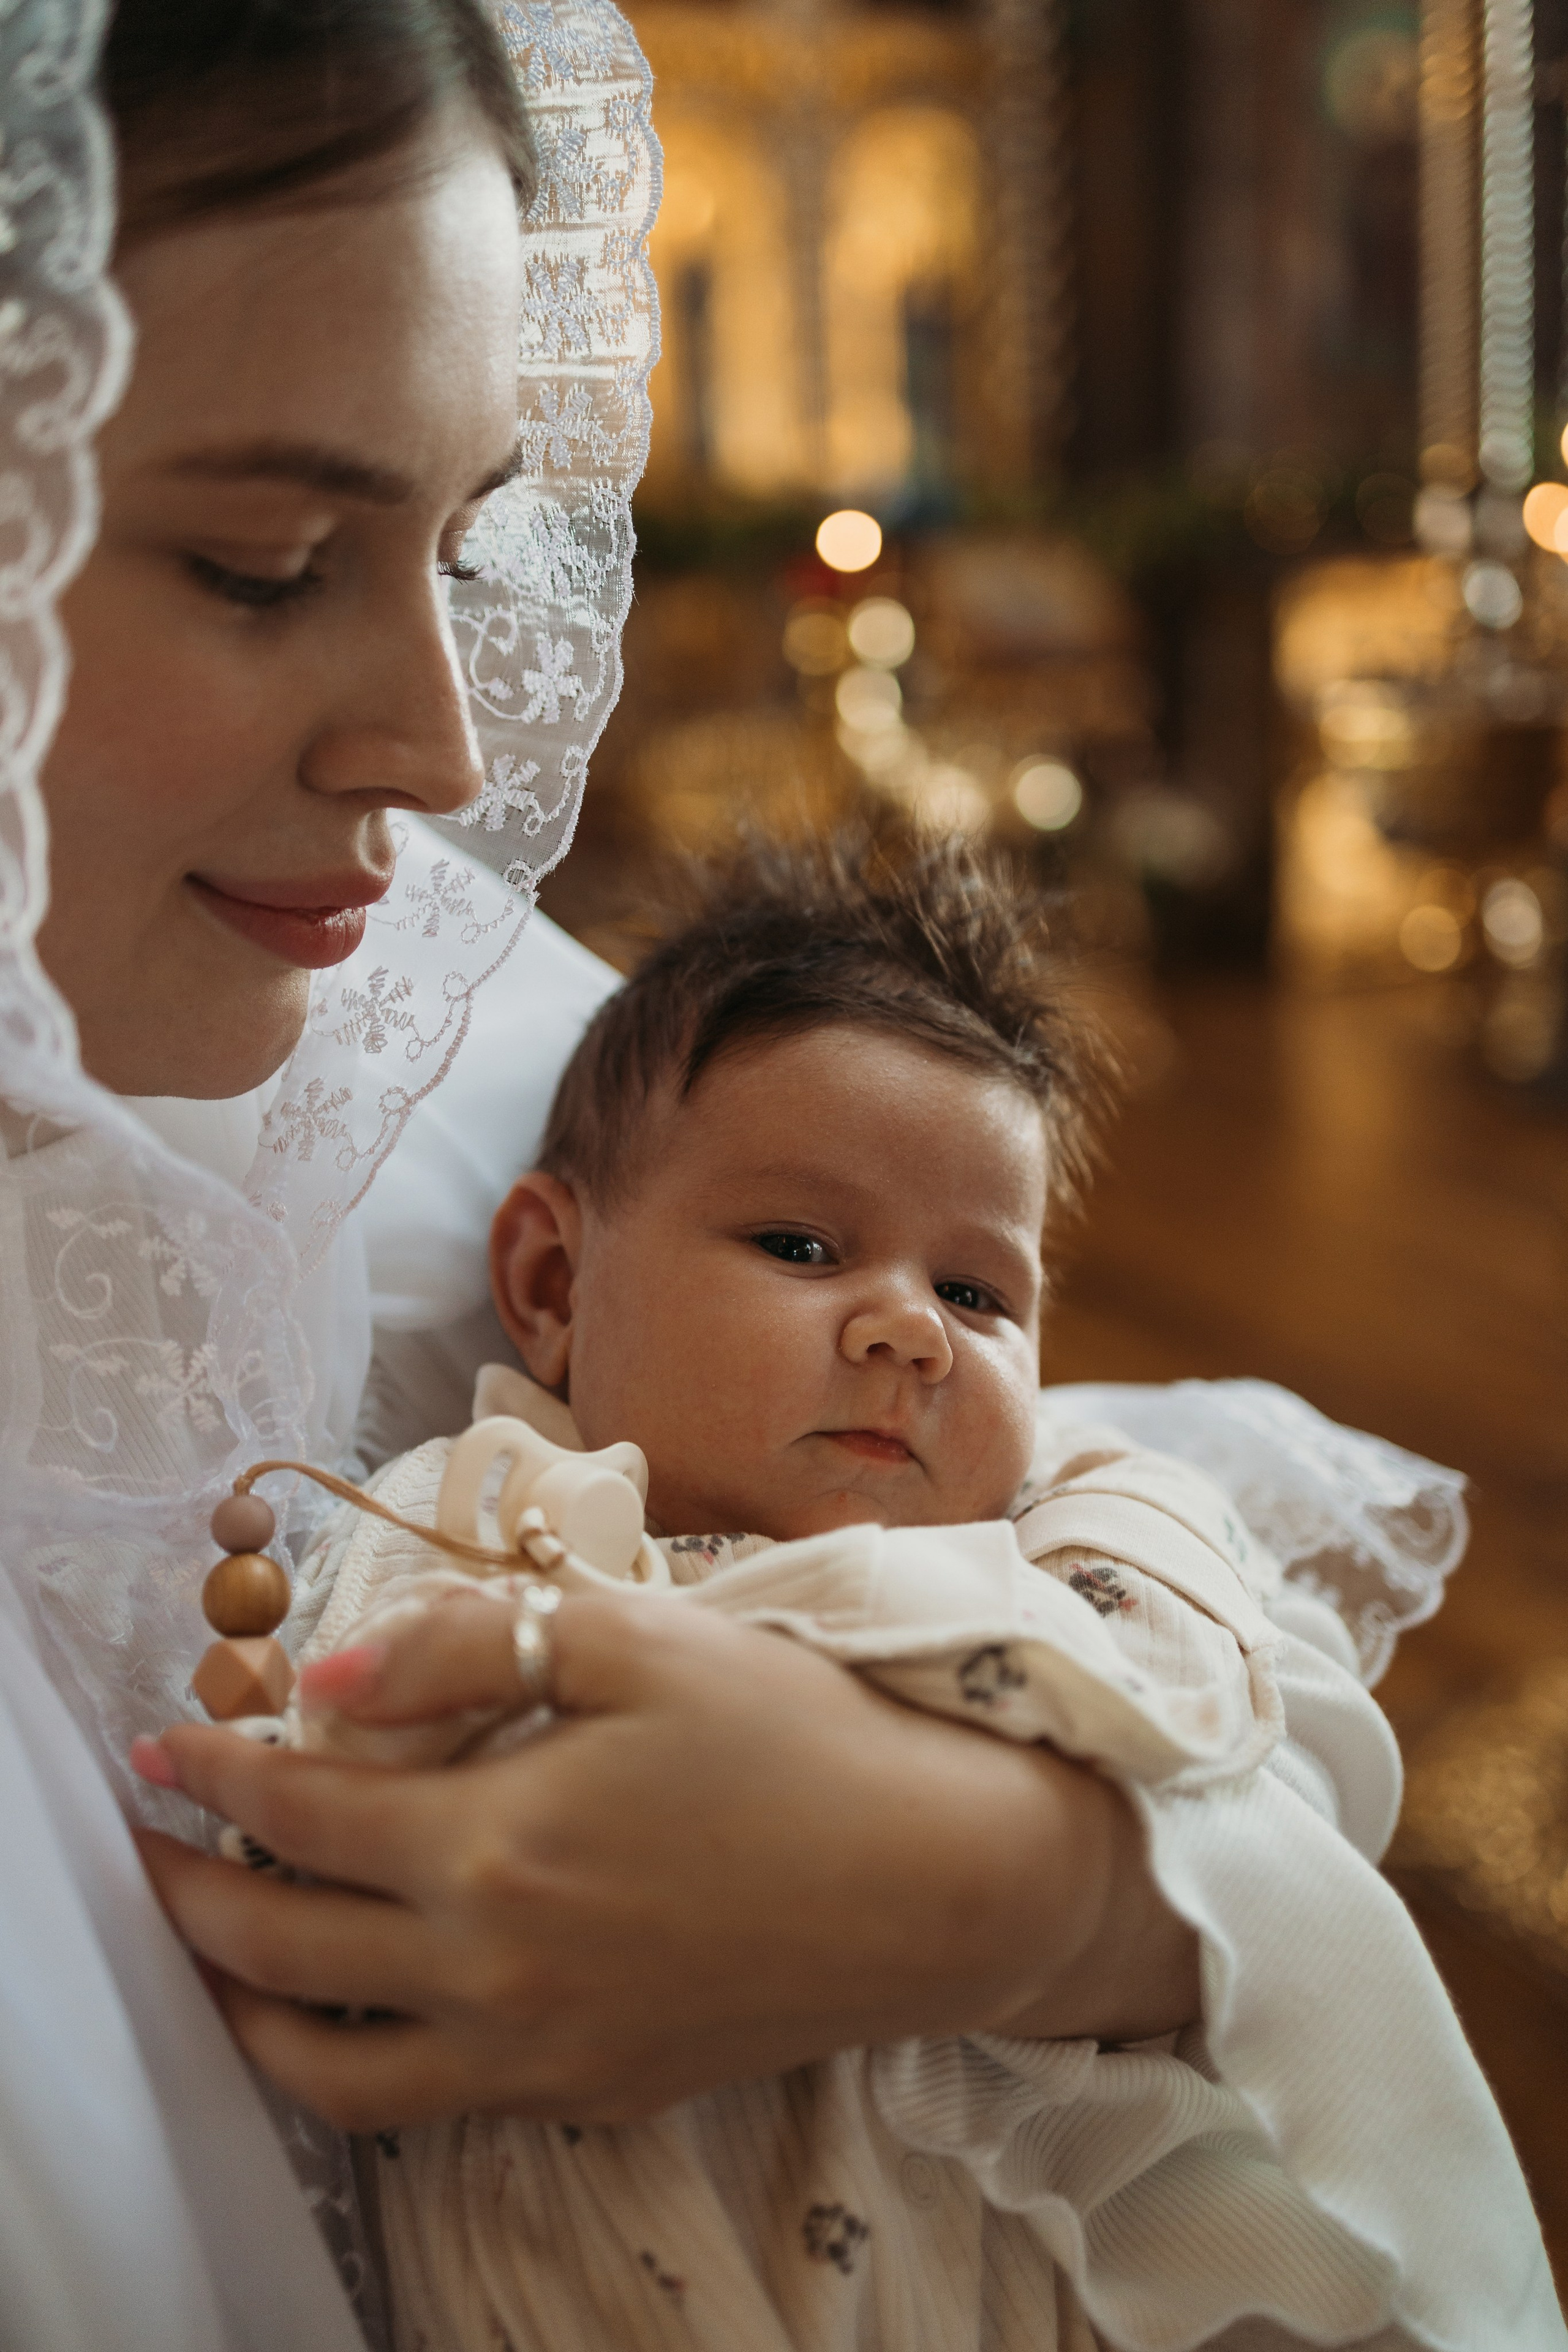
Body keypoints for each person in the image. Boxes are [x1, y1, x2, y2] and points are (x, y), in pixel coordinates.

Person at [0, 0, 1525, 2345]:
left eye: (466, 551)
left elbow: (1147, 1593)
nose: (439, 752)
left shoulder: (417, 1033)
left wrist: (1002, 1892)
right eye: (269, 561)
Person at [140, 831, 1556, 2352]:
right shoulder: (457, 1513)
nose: (910, 1331)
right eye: (801, 1245)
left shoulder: (1070, 1516)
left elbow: (1230, 1704)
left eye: (975, 1291)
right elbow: (348, 1801)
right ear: (552, 1285)